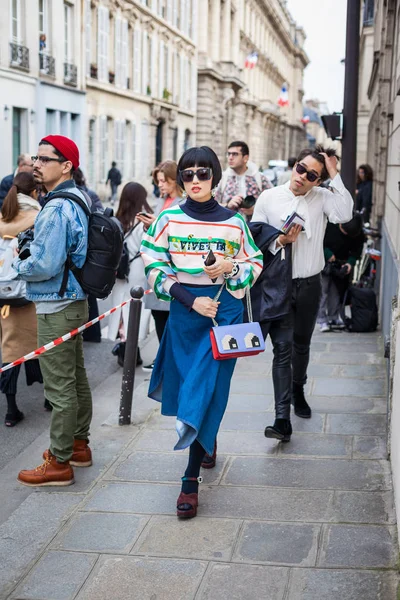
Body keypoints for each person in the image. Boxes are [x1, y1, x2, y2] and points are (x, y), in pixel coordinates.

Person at [141, 146, 262, 519]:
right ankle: (206, 440)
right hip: (186, 314)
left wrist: (228, 268)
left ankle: (189, 481)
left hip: (224, 315)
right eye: (188, 174)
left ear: (215, 176)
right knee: (194, 389)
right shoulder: (168, 218)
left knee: (208, 388)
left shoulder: (234, 222)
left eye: (203, 173)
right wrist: (188, 298)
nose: (195, 180)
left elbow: (254, 263)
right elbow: (153, 262)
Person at [12, 134, 93, 486]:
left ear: (66, 166)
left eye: (45, 159)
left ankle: (59, 462)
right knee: (75, 379)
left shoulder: (58, 206)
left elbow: (44, 264)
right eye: (36, 159)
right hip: (73, 301)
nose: (36, 165)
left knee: (59, 387)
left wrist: (19, 264)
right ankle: (77, 446)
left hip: (56, 304)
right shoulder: (77, 197)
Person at [252, 145, 353, 422]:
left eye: (311, 175)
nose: (302, 177)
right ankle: (282, 417)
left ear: (318, 181)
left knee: (302, 344)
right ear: (294, 165)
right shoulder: (269, 197)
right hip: (278, 285)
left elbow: (345, 214)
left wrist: (334, 172)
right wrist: (280, 241)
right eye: (300, 169)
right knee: (282, 349)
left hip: (310, 284)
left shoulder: (322, 197)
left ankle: (298, 390)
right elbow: (253, 241)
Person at [0, 172, 44, 426]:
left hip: (4, 298)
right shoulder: (37, 218)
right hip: (30, 295)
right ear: (35, 193)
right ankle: (50, 399)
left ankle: (11, 410)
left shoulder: (3, 217)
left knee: (11, 350)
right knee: (44, 345)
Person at [139, 160, 184, 371]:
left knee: (169, 317)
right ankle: (163, 357)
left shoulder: (182, 203)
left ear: (174, 180)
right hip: (157, 264)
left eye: (163, 181)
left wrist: (155, 224)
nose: (160, 185)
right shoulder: (162, 201)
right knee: (158, 314)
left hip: (172, 268)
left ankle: (167, 360)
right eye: (158, 181)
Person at [108, 182, 154, 367]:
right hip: (137, 268)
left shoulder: (119, 219)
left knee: (120, 308)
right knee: (136, 309)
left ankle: (125, 347)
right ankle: (131, 349)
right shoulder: (144, 219)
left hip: (120, 269)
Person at [318, 214, 365, 332]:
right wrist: (328, 254)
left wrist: (349, 263)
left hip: (340, 266)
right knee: (323, 291)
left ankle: (333, 317)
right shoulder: (329, 224)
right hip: (323, 263)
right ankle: (322, 320)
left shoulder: (357, 233)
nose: (345, 235)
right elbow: (317, 242)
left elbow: (356, 251)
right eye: (343, 231)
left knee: (336, 292)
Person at [73, 168, 103, 343]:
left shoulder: (79, 196)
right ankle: (93, 333)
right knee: (89, 291)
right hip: (91, 248)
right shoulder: (90, 194)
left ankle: (88, 332)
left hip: (83, 248)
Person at [215, 141, 272, 217]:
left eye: (235, 154)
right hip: (229, 226)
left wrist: (255, 210)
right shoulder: (221, 178)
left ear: (245, 158)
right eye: (229, 154)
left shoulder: (260, 178)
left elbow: (272, 204)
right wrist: (227, 205)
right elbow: (212, 205)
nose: (230, 158)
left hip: (253, 227)